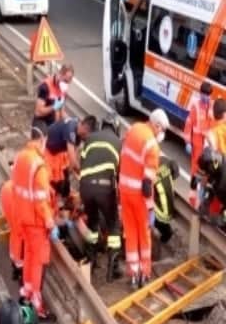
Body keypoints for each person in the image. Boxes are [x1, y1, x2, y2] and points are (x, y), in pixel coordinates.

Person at [13, 121, 59, 321]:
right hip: (36, 223)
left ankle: (26, 295)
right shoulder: (38, 165)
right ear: (42, 139)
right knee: (38, 263)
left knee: (29, 259)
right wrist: (50, 222)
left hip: (23, 218)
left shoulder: (21, 157)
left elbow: (19, 189)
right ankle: (38, 307)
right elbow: (40, 201)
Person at [118, 108, 168, 289]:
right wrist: (151, 209)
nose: (161, 134)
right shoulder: (152, 146)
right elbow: (147, 186)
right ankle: (144, 273)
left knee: (130, 233)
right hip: (139, 197)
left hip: (124, 190)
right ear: (156, 125)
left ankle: (133, 273)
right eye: (161, 130)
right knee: (144, 235)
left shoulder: (133, 129)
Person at [78, 114, 123, 282]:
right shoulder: (118, 144)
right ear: (116, 127)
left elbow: (82, 164)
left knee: (92, 223)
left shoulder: (89, 139)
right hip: (105, 189)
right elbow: (119, 175)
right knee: (113, 226)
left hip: (86, 187)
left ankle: (91, 259)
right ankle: (113, 268)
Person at [43, 114, 97, 203]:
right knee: (53, 185)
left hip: (59, 152)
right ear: (85, 128)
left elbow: (74, 156)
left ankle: (64, 198)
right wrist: (84, 175)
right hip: (47, 151)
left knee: (65, 181)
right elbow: (72, 159)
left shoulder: (78, 132)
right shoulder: (70, 130)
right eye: (87, 136)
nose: (87, 139)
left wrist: (74, 171)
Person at [185, 82, 213, 205]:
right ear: (200, 93)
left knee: (207, 172)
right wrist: (187, 141)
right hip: (197, 141)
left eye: (207, 95)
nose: (205, 97)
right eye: (203, 94)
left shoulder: (212, 106)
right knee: (195, 170)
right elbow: (189, 123)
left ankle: (202, 200)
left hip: (208, 143)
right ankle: (192, 198)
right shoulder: (195, 105)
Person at [0, 179, 23, 282]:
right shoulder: (20, 196)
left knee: (16, 256)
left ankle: (15, 272)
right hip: (21, 237)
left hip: (14, 232)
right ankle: (19, 275)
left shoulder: (7, 188)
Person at [154, 156, 180, 245]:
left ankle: (166, 234)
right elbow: (176, 169)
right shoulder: (164, 160)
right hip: (171, 206)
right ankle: (166, 233)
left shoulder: (147, 170)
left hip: (159, 213)